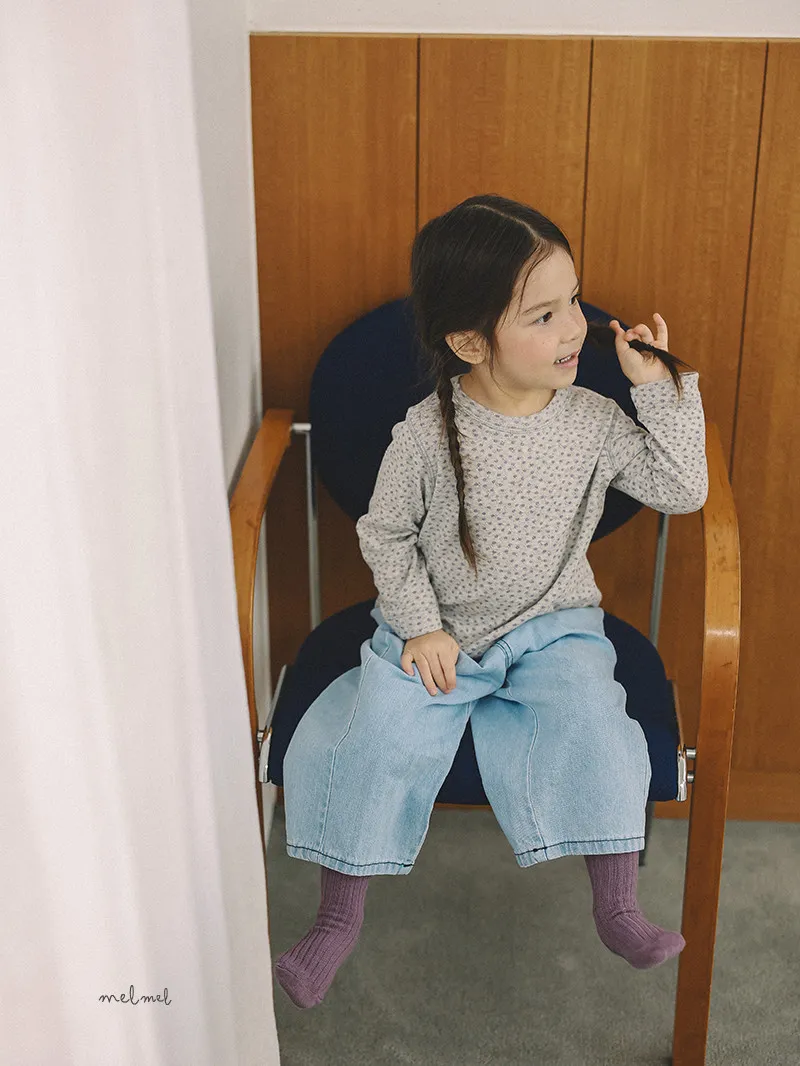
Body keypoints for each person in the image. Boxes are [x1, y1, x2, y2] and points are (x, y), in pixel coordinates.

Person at [273, 194, 708, 1010]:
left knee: (597, 723)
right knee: (370, 738)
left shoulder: (595, 420)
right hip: (436, 630)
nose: (576, 327)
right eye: (544, 315)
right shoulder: (425, 433)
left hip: (554, 628)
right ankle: (334, 921)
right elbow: (387, 535)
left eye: (574, 299)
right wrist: (420, 627)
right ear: (471, 342)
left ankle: (617, 908)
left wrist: (660, 389)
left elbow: (683, 490)